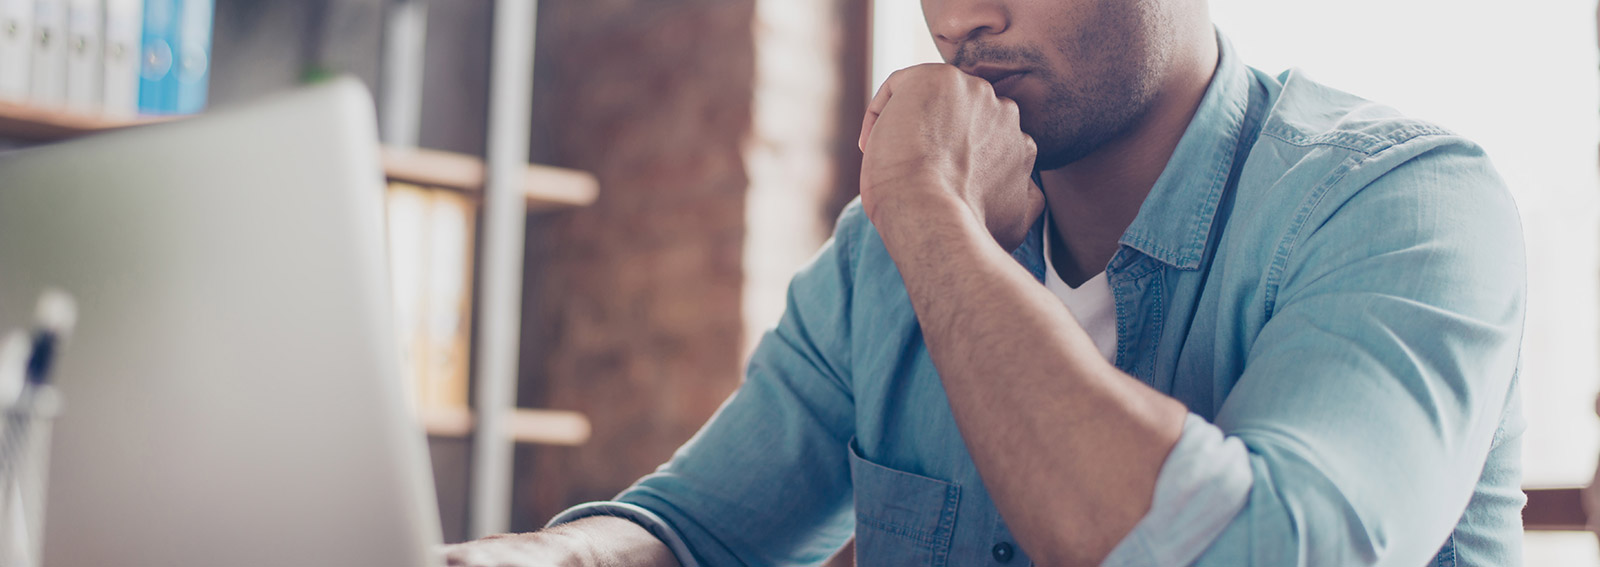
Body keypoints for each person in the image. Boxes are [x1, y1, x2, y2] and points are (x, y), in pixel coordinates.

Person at [443, 0, 1527, 564]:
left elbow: (1254, 554)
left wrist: (924, 212)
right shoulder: (886, 255)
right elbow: (696, 538)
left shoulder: (1401, 205)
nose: (961, 18)